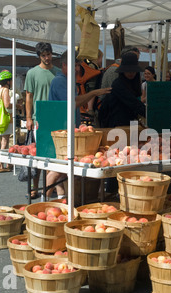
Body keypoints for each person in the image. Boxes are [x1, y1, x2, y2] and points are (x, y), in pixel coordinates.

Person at [45, 51, 111, 199]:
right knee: (58, 169)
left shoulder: (69, 80)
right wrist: (94, 93)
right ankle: (40, 203)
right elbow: (73, 103)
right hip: (62, 132)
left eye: (78, 65)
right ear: (63, 65)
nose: (77, 69)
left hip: (69, 130)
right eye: (73, 65)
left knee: (62, 169)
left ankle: (61, 198)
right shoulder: (60, 81)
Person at [24, 42, 61, 199]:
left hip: (56, 118)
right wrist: (28, 117)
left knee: (56, 155)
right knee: (39, 155)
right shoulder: (32, 73)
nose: (47, 58)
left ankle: (51, 187)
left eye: (49, 54)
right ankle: (35, 187)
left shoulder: (59, 72)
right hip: (39, 119)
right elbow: (29, 96)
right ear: (39, 56)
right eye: (44, 55)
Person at [98, 52, 146, 128]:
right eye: (128, 70)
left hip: (127, 124)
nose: (131, 73)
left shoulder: (133, 83)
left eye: (133, 70)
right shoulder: (118, 84)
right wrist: (151, 114)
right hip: (115, 125)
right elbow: (134, 103)